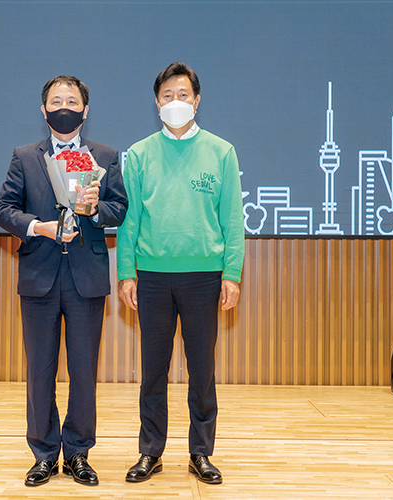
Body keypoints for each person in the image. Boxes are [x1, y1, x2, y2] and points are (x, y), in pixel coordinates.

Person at [0, 75, 127, 487]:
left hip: (86, 278)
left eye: (71, 101)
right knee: (40, 370)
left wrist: (95, 210)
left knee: (84, 372)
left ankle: (79, 454)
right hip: (39, 277)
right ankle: (44, 454)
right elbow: (3, 209)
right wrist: (38, 227)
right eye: (56, 100)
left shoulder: (104, 156)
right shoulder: (24, 156)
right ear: (43, 109)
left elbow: (120, 208)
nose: (63, 107)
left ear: (85, 110)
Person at [116, 62, 244, 485]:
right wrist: (127, 271)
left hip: (204, 276)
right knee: (153, 370)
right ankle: (150, 452)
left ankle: (200, 452)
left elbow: (233, 218)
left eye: (183, 94)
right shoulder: (139, 154)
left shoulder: (221, 151)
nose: (176, 102)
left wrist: (232, 274)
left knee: (201, 371)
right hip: (152, 276)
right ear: (157, 103)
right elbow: (129, 220)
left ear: (197, 100)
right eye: (168, 95)